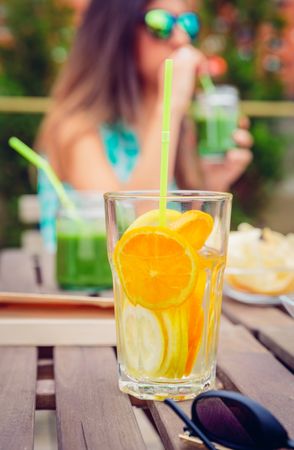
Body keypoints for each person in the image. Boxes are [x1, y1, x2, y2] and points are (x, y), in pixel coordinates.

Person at [36, 0, 253, 249]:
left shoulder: (174, 127)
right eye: (160, 23)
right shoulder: (75, 128)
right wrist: (170, 106)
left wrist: (214, 184)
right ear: (117, 33)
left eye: (188, 24)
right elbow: (129, 239)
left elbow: (182, 245)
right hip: (90, 287)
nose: (180, 39)